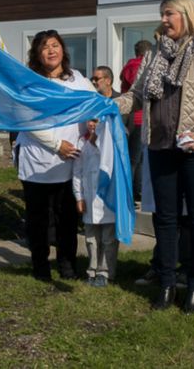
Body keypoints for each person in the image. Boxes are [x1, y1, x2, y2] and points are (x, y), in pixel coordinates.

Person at [115, 0, 194, 312]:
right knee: (165, 218)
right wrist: (107, 105)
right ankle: (167, 284)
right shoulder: (154, 54)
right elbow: (136, 96)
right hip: (160, 145)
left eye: (169, 14)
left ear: (188, 14)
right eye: (162, 14)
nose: (163, 20)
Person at [15, 29, 95, 281]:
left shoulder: (78, 80)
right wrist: (56, 144)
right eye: (45, 47)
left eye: (55, 45)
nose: (51, 51)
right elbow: (25, 119)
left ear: (63, 50)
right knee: (38, 220)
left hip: (71, 161)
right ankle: (40, 266)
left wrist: (94, 123)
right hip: (38, 161)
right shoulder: (30, 84)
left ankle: (67, 264)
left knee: (67, 219)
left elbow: (94, 107)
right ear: (37, 54)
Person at [72, 119, 118, 287]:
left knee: (108, 238)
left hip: (107, 199)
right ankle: (92, 270)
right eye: (90, 121)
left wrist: (99, 138)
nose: (93, 125)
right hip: (89, 199)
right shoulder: (81, 142)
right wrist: (79, 196)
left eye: (97, 121)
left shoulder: (112, 140)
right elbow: (77, 171)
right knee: (91, 238)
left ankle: (105, 272)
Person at [120, 40, 152, 202]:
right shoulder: (140, 66)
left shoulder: (129, 65)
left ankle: (136, 191)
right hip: (139, 118)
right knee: (135, 159)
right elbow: (138, 90)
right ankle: (131, 193)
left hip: (131, 117)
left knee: (137, 158)